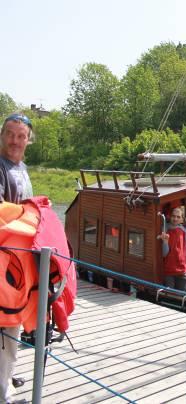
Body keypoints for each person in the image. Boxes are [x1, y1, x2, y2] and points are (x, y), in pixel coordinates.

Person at [0, 113, 34, 404]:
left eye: (20, 135)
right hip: (2, 262)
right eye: (10, 134)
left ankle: (6, 376)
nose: (15, 140)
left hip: (18, 262)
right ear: (2, 136)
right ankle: (3, 394)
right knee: (5, 322)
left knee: (13, 324)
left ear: (28, 140)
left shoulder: (22, 168)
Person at [159, 206, 186, 291]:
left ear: (182, 219)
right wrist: (165, 242)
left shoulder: (183, 230)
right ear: (170, 217)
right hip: (169, 270)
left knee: (184, 297)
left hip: (182, 270)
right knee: (170, 298)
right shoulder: (165, 230)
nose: (175, 219)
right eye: (173, 216)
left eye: (178, 217)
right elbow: (164, 254)